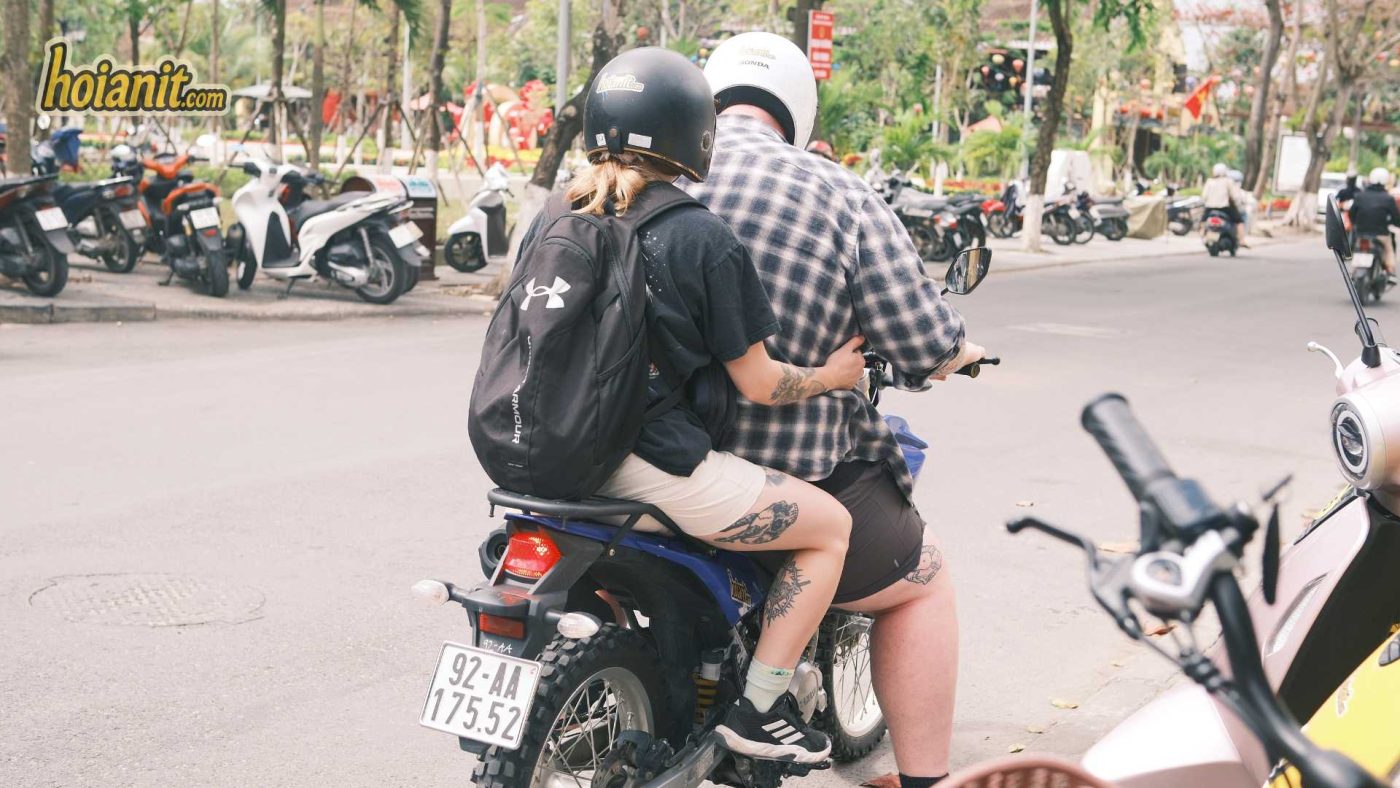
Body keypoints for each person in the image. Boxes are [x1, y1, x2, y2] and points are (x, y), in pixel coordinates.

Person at [523, 46, 867, 764]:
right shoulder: (700, 237)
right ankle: (758, 709)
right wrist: (836, 375)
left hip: (535, 456)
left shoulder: (555, 215)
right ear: (693, 134)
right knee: (829, 529)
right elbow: (761, 384)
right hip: (638, 465)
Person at [687, 31, 985, 788]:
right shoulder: (839, 192)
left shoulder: (646, 173)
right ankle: (924, 779)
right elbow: (922, 341)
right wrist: (960, 353)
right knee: (924, 580)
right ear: (798, 108)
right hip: (770, 472)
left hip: (624, 454)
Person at [1350, 167, 1400, 285]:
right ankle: (1390, 272)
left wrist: (1356, 223)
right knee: (1389, 250)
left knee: (1355, 247)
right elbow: (1396, 219)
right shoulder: (1388, 198)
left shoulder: (1359, 196)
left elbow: (1352, 215)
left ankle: (1353, 271)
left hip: (1361, 233)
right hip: (1381, 234)